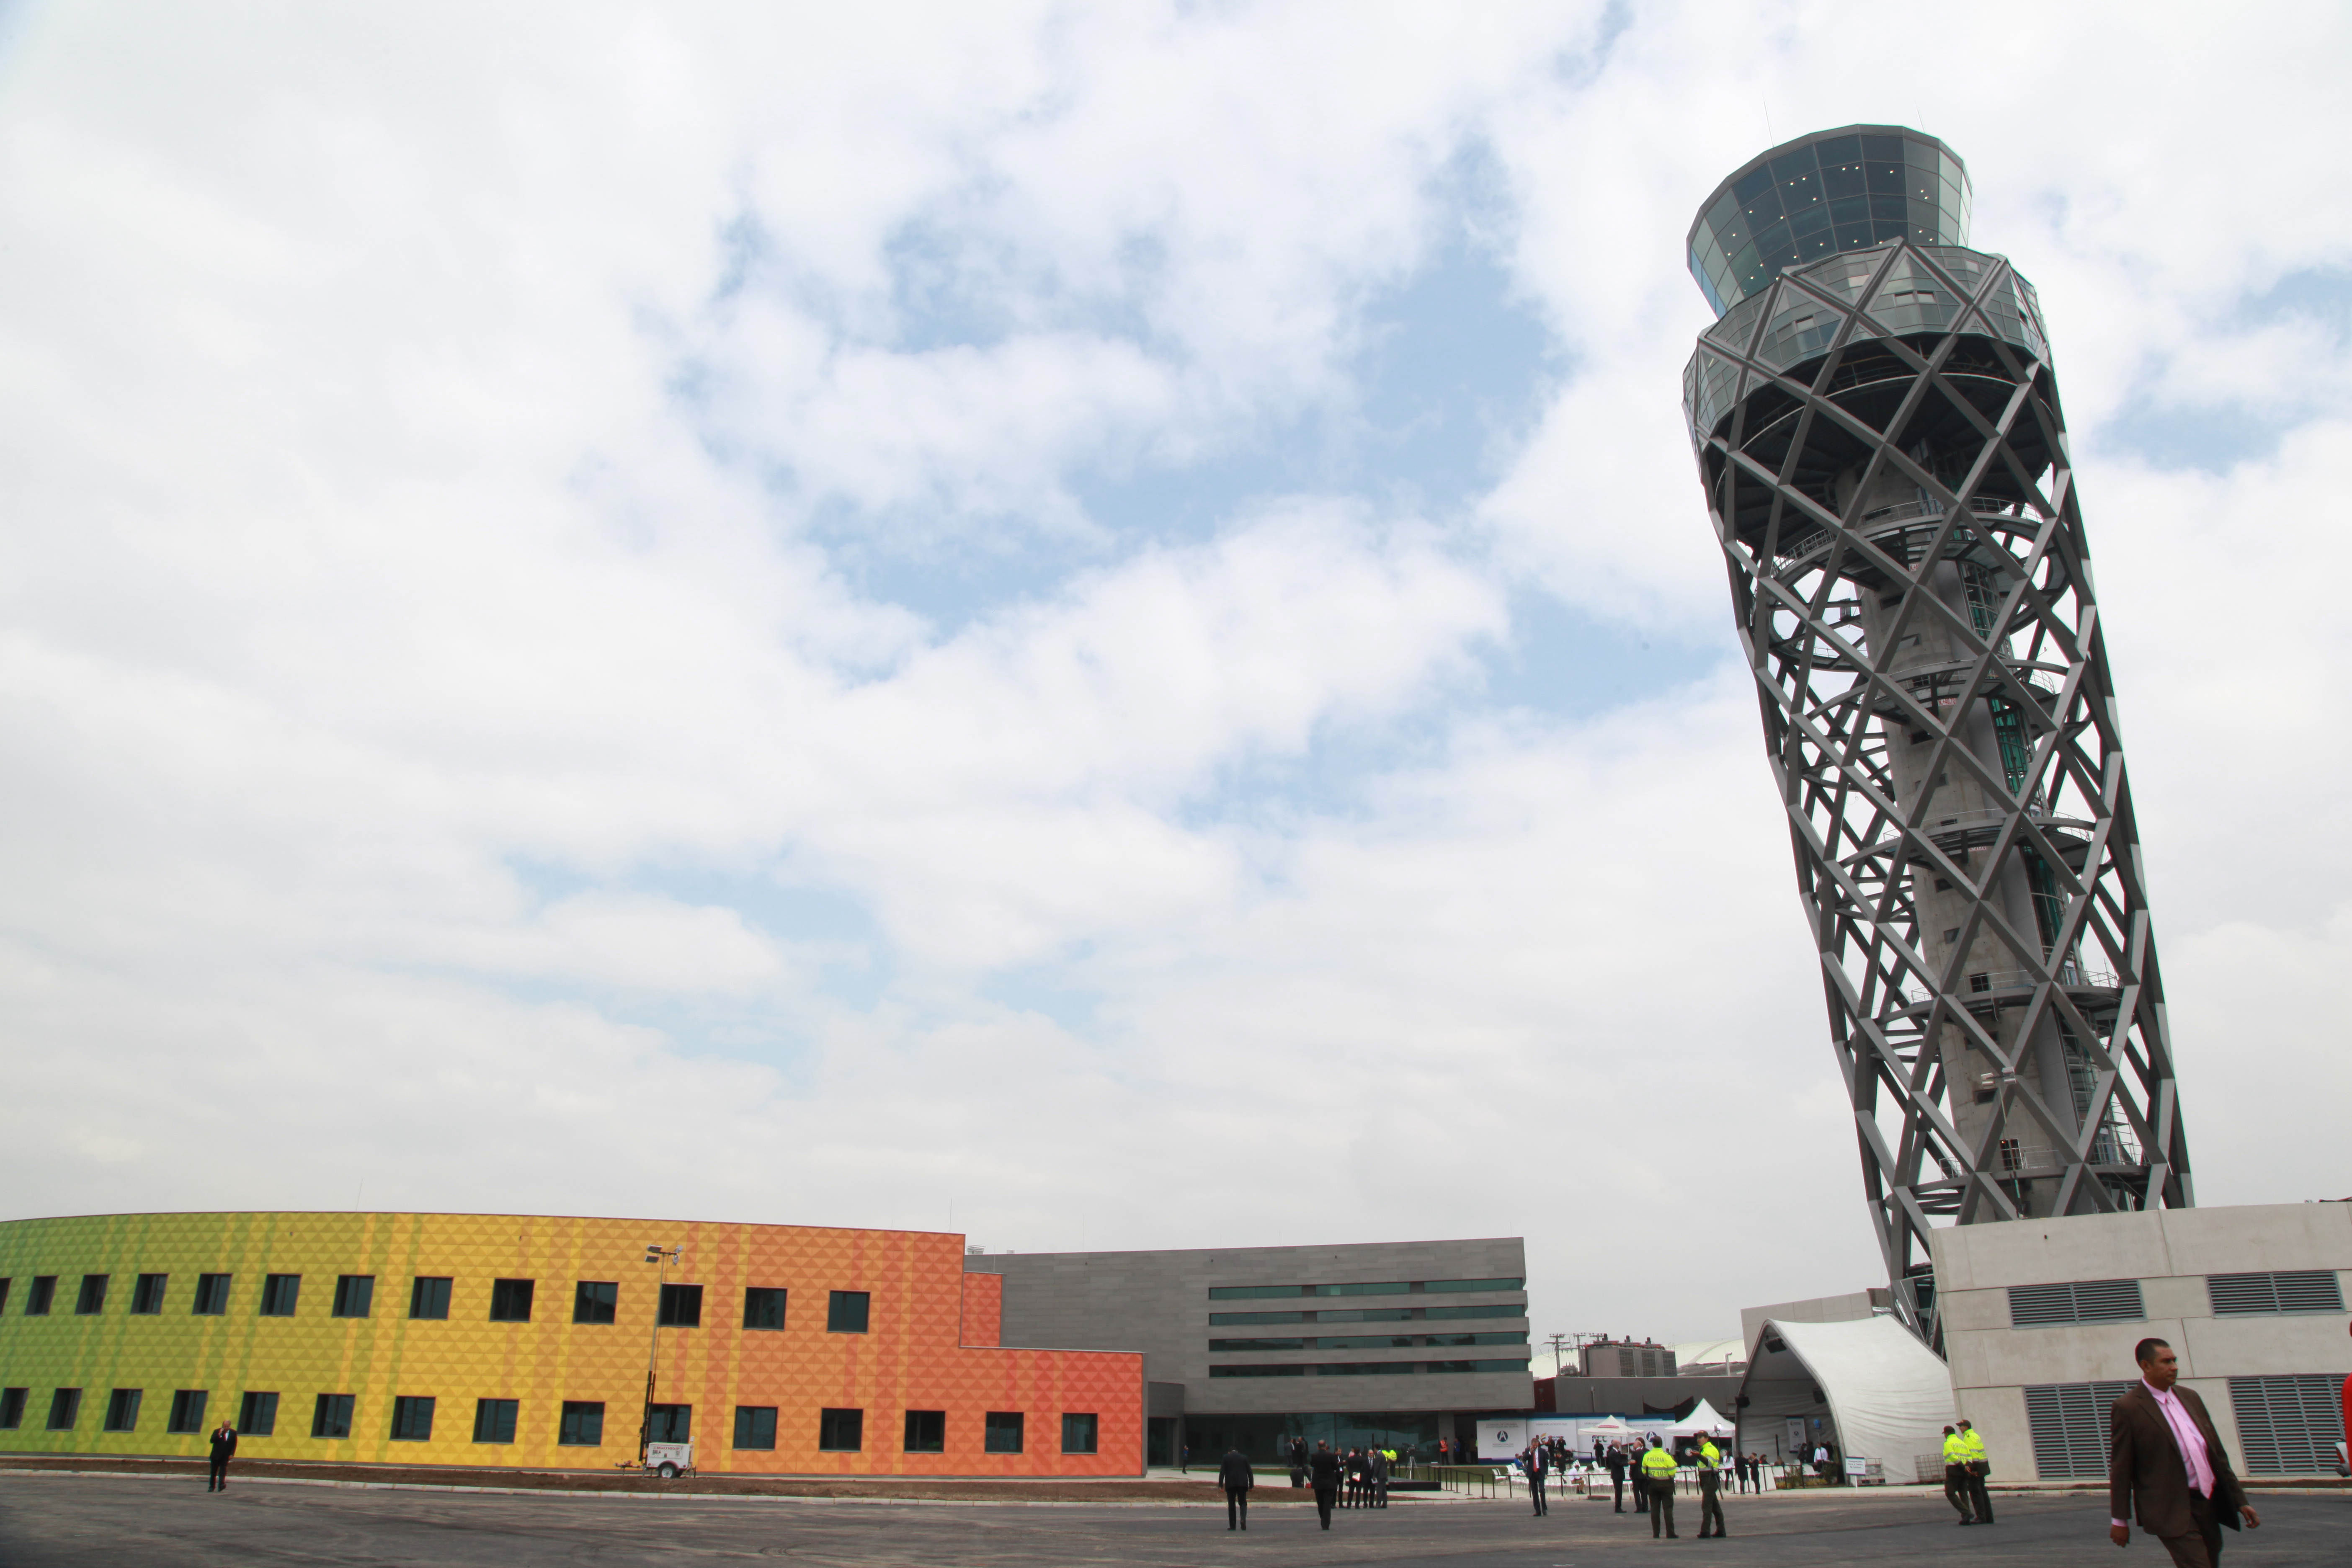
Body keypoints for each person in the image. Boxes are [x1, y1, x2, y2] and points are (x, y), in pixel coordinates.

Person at [2110, 1337, 2259, 1566]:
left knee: (2211, 1559)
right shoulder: (2128, 1407)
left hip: (2207, 1502)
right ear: (2146, 1366)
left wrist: (2240, 1501)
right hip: (2169, 1508)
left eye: (2175, 1360)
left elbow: (2217, 1456)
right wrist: (2119, 1520)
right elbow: (2121, 1468)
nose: (2175, 1367)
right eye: (2166, 1361)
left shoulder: (2190, 1397)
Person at [1957, 1418, 1995, 1525]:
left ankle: (1981, 1517)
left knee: (1976, 1493)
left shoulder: (1968, 1438)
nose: (1959, 1428)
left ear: (1966, 1427)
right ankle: (1989, 1517)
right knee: (1983, 1493)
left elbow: (1974, 1455)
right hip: (1983, 1467)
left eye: (1961, 1426)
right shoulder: (1976, 1436)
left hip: (1976, 1469)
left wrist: (1972, 1469)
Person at [1640, 1435, 1679, 1539]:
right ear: (1662, 1445)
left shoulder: (1647, 1455)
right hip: (1666, 1485)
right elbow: (1672, 1471)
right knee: (1668, 1510)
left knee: (1655, 1509)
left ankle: (1656, 1534)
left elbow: (1644, 1471)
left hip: (1652, 1485)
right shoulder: (1666, 1456)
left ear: (1653, 1444)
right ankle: (1670, 1533)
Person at [1942, 1424, 1976, 1524]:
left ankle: (1966, 1512)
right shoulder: (1962, 1443)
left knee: (1950, 1493)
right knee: (1963, 1493)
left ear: (1947, 1434)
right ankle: (1966, 1518)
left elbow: (1952, 1456)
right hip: (1965, 1471)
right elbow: (1970, 1456)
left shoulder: (1948, 1443)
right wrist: (1967, 1466)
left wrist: (1962, 1466)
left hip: (1954, 1470)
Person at [1695, 1433, 1728, 1538]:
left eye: (1700, 1438)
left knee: (1706, 1507)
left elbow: (1709, 1464)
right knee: (1715, 1507)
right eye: (1697, 1438)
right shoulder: (1704, 1449)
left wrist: (1698, 1456)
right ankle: (1721, 1530)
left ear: (1707, 1438)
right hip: (1707, 1480)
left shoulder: (1709, 1449)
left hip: (1710, 1479)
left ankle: (1705, 1532)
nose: (1698, 1440)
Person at [1218, 1443, 1253, 1531]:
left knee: (1232, 1505)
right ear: (1237, 1452)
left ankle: (1233, 1526)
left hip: (1230, 1484)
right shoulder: (1244, 1457)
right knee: (1243, 1503)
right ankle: (1243, 1519)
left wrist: (1220, 1485)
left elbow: (1222, 1472)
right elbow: (1250, 1472)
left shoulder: (1226, 1457)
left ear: (1229, 1452)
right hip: (1242, 1484)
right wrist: (1251, 1485)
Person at [1310, 1440, 1342, 1530]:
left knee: (1320, 1503)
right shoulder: (1331, 1456)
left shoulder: (1314, 1456)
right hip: (1329, 1483)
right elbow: (1336, 1467)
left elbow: (1312, 1465)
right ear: (1326, 1447)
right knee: (1327, 1503)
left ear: (1318, 1447)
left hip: (1318, 1483)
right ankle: (1326, 1523)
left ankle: (1322, 1517)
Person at [206, 1419, 237, 1492]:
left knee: (223, 1472)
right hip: (216, 1456)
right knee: (214, 1472)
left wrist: (232, 1454)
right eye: (225, 1427)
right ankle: (212, 1487)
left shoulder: (233, 1433)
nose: (226, 1428)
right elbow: (212, 1441)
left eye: (227, 1427)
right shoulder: (217, 1431)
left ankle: (221, 1485)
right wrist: (219, 1435)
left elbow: (234, 1445)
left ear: (230, 1426)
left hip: (225, 1456)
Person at [1523, 1442, 1549, 1517]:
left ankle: (1544, 1508)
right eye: (1534, 1445)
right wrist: (1530, 1452)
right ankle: (1538, 1511)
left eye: (1536, 1446)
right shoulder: (1528, 1450)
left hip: (1540, 1473)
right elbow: (1524, 1459)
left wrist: (1546, 1473)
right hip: (1532, 1474)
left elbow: (1546, 1463)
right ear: (1532, 1445)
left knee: (1542, 1490)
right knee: (1534, 1492)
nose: (1535, 1447)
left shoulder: (1542, 1451)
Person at [1603, 1441, 1629, 1512]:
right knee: (1619, 1492)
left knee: (1619, 1491)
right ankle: (1618, 1508)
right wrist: (1628, 1463)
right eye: (1620, 1444)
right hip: (1617, 1475)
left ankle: (1618, 1507)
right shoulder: (1614, 1453)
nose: (1620, 1445)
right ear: (1617, 1445)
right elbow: (1618, 1463)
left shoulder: (1615, 1452)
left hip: (1617, 1474)